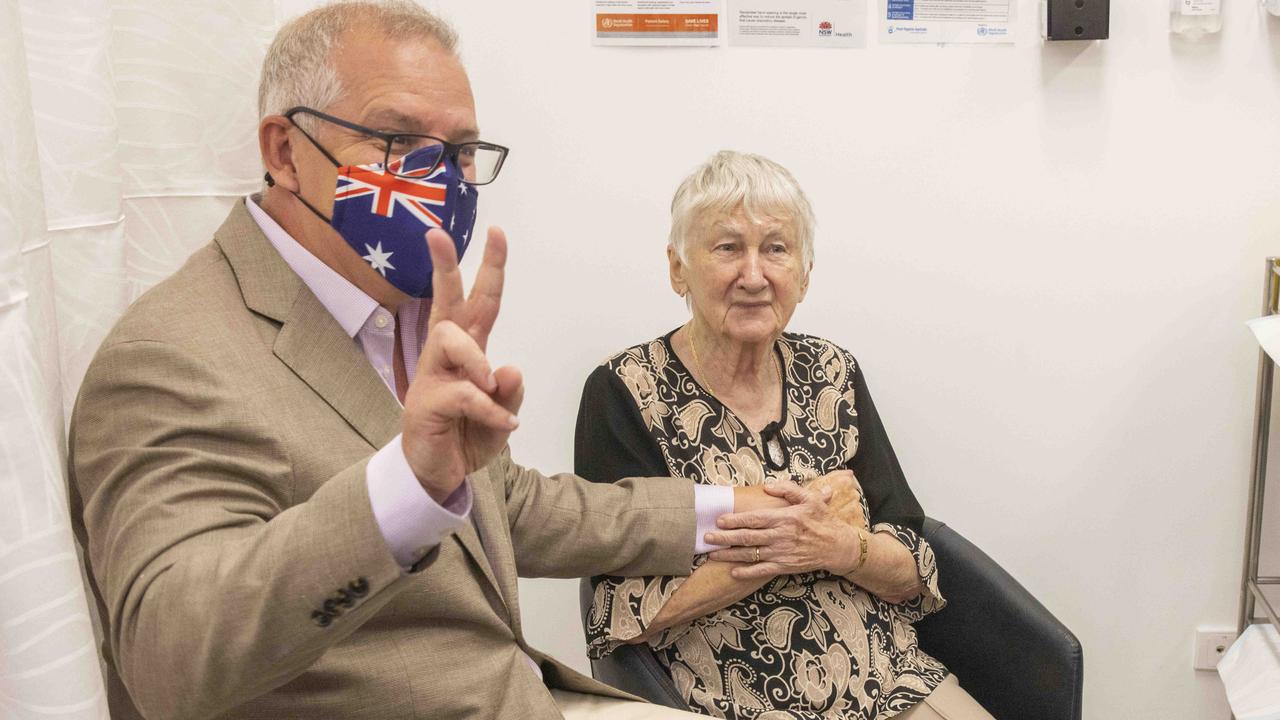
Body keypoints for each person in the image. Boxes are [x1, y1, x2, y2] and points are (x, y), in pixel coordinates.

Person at [66, 5, 841, 719]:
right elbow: (167, 660)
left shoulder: (390, 312)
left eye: (461, 152)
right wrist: (406, 483)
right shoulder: (170, 354)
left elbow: (515, 508)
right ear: (285, 151)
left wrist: (739, 511)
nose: (438, 180)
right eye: (399, 142)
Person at [575, 151, 996, 720]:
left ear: (804, 272)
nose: (754, 275)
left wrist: (842, 547)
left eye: (776, 248)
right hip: (737, 696)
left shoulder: (833, 372)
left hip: (891, 676)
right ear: (678, 269)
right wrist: (784, 540)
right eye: (727, 248)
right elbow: (620, 610)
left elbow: (913, 562)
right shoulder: (625, 391)